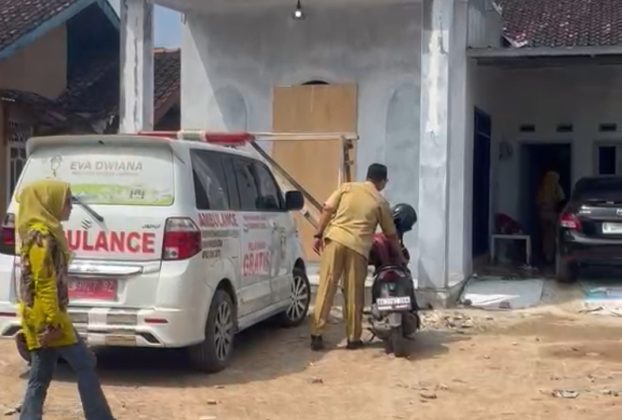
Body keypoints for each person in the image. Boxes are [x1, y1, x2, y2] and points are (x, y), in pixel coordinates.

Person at [17, 179, 115, 420]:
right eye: (66, 201)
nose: (70, 206)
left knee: (40, 375)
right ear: (49, 202)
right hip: (48, 317)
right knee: (85, 363)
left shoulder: (44, 233)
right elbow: (44, 283)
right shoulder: (42, 238)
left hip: (39, 314)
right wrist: (54, 323)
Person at [309, 163, 405, 351]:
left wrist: (318, 235)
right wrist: (399, 255)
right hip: (358, 247)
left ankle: (316, 334)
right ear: (382, 181)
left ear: (368, 176)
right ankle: (353, 338)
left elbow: (327, 209)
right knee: (354, 291)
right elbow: (391, 234)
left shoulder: (347, 188)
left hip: (335, 240)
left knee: (327, 286)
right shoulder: (380, 201)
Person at [536, 170, 566, 265]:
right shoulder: (557, 188)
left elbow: (537, 202)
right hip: (553, 215)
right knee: (553, 235)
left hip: (542, 214)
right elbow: (562, 201)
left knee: (545, 235)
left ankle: (546, 256)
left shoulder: (541, 188)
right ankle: (552, 257)